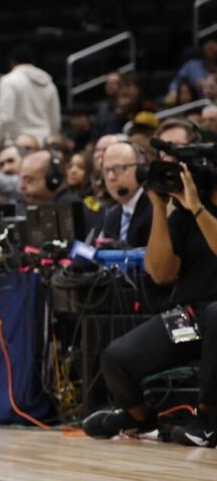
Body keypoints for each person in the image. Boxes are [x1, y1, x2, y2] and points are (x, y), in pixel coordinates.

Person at [84, 120, 217, 443]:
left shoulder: (196, 207)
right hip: (191, 316)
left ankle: (208, 421)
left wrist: (198, 208)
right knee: (116, 357)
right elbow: (160, 273)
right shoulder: (183, 211)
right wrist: (160, 208)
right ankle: (140, 417)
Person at [0, 47, 62, 148]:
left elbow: (5, 118)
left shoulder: (8, 81)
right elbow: (55, 121)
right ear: (32, 62)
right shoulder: (48, 83)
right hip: (44, 144)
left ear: (12, 62)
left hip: (18, 144)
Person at [91, 140, 152, 247]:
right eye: (107, 170)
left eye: (118, 169)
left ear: (141, 170)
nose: (111, 177)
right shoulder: (112, 216)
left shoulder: (156, 209)